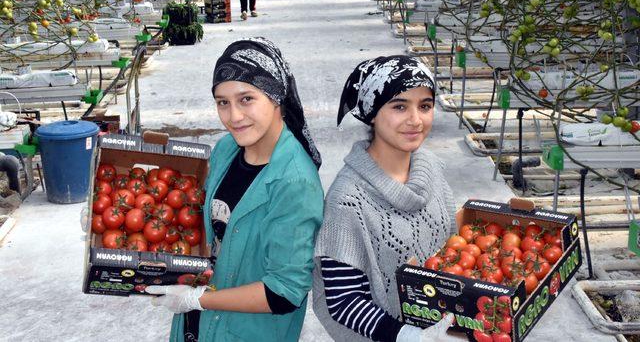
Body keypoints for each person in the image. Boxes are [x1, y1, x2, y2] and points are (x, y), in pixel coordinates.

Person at [147, 37, 324, 342]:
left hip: (245, 331)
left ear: (275, 96)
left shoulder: (294, 182)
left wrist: (198, 300)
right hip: (199, 326)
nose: (233, 117)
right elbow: (208, 223)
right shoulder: (227, 149)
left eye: (246, 99)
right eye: (222, 102)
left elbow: (284, 292)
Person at [312, 55, 457, 342]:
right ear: (372, 113)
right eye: (400, 106)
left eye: (425, 106)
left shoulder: (431, 168)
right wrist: (409, 336)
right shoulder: (348, 199)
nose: (416, 120)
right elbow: (343, 301)